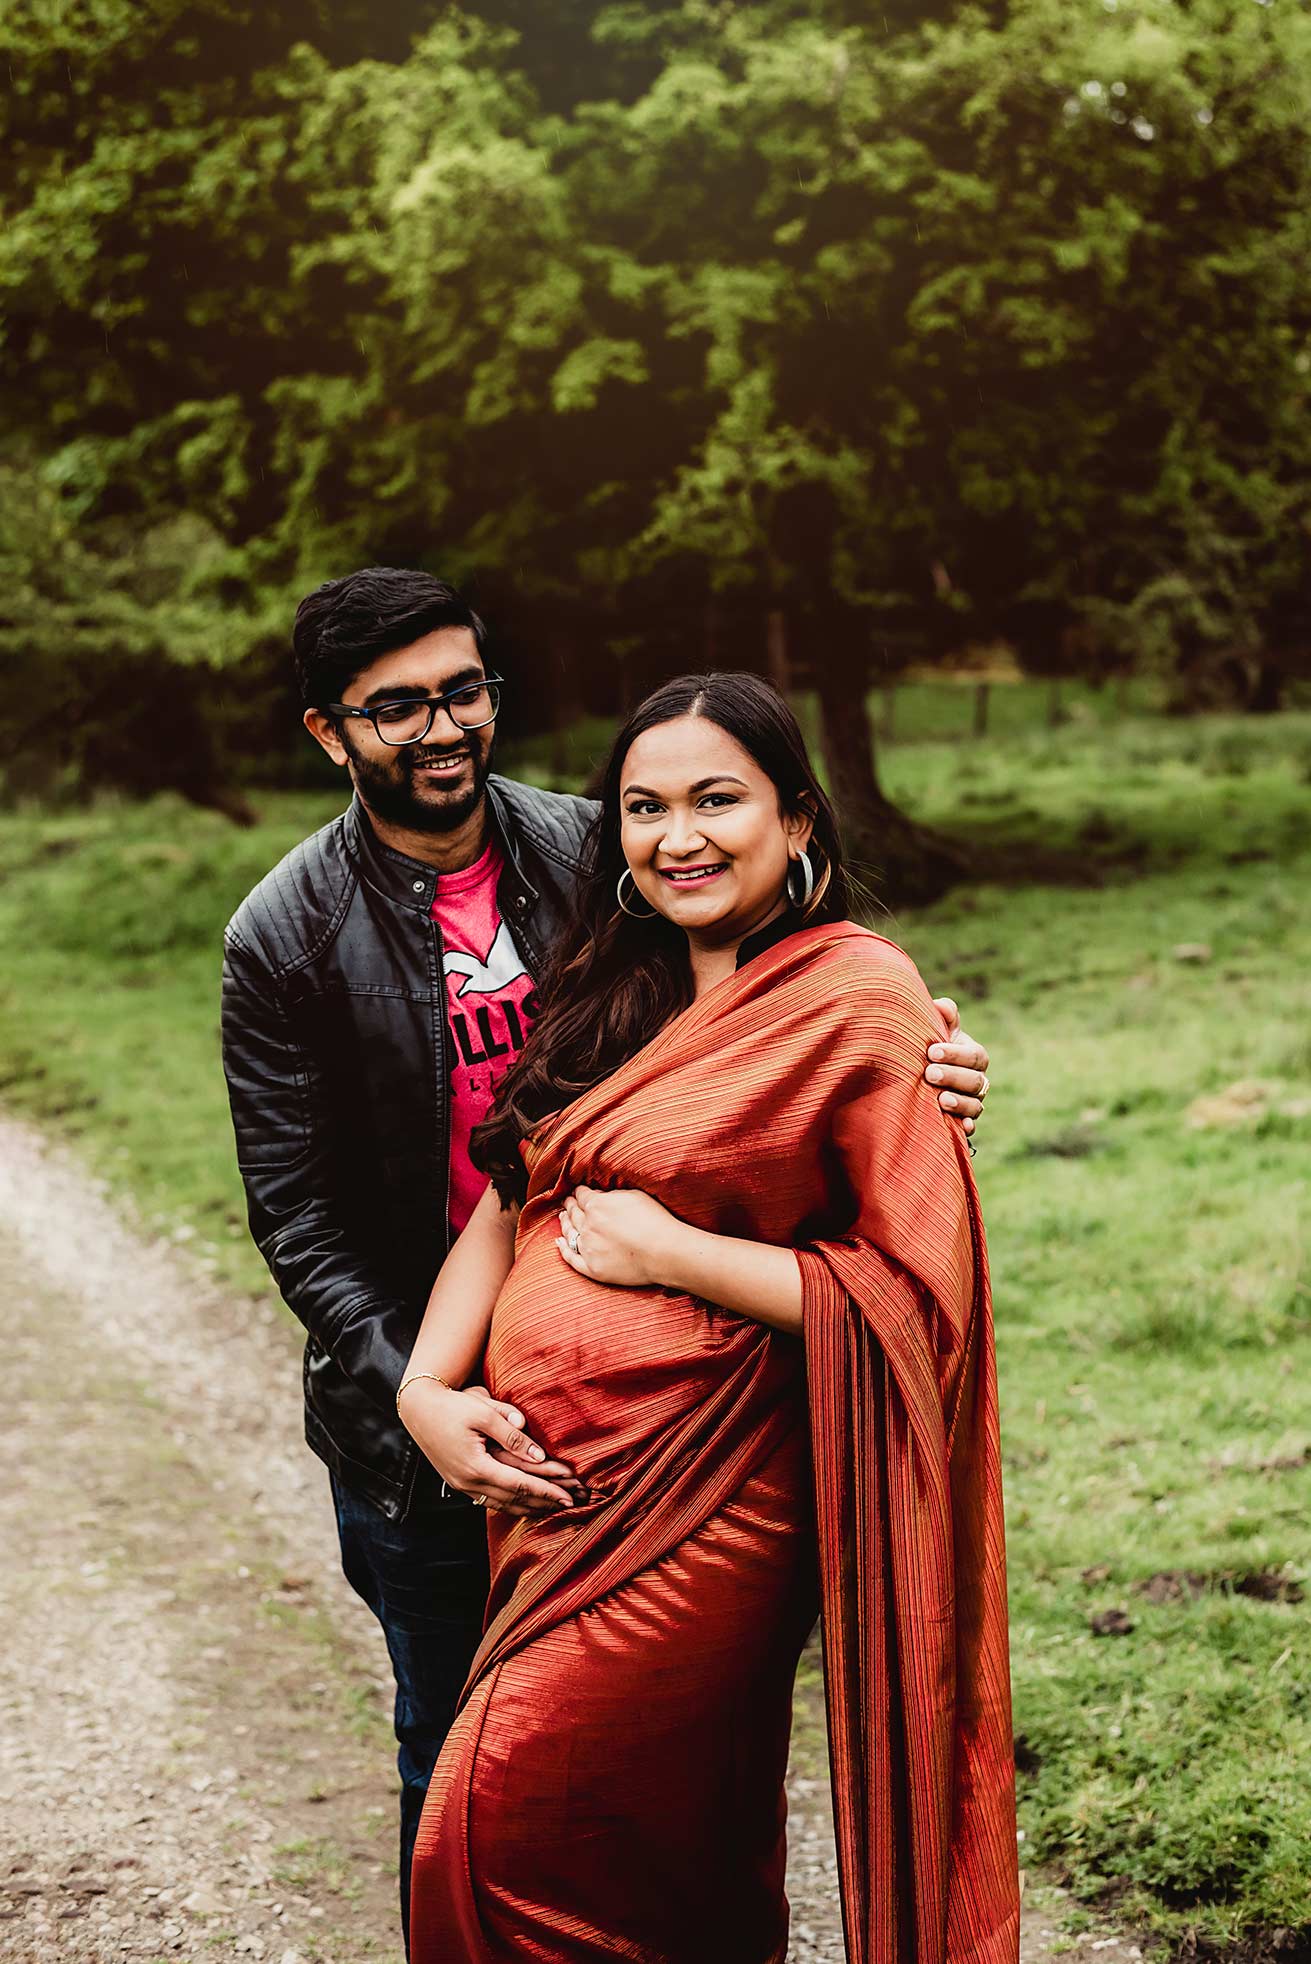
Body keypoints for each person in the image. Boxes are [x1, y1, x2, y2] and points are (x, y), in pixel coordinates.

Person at [220, 569, 994, 1950]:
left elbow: (796, 1034)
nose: (442, 726)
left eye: (463, 690)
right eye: (395, 708)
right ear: (329, 733)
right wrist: (423, 1398)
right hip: (433, 1434)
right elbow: (314, 1218)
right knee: (455, 1772)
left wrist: (928, 1073)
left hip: (697, 1477)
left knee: (654, 1800)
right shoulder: (285, 937)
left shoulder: (597, 861)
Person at [399, 672, 1018, 1964]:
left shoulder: (863, 1000)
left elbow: (908, 1298)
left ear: (797, 821)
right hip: (550, 1508)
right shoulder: (608, 990)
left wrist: (676, 1251)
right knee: (667, 1842)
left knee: (489, 1824)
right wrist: (424, 1393)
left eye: (716, 800)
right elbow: (509, 1204)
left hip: (722, 1507)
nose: (677, 836)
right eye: (644, 806)